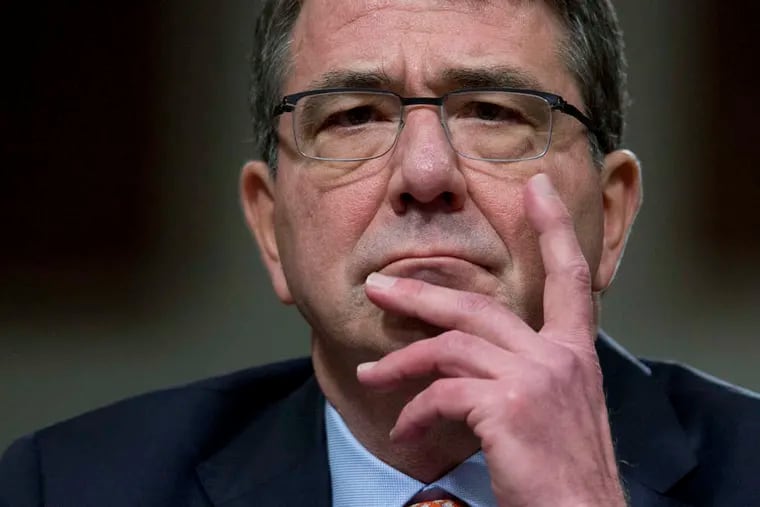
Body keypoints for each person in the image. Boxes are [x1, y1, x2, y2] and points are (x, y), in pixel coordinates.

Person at [1, 0, 759, 505]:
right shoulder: (63, 487)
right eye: (355, 116)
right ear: (269, 227)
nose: (424, 174)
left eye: (491, 111)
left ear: (613, 217)